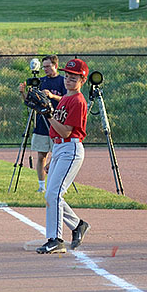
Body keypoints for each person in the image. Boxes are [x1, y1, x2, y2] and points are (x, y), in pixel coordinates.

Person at [36, 58, 91, 254]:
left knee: (54, 194)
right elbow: (57, 135)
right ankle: (77, 225)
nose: (68, 79)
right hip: (60, 149)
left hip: (71, 149)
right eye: (67, 76)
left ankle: (56, 239)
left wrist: (48, 114)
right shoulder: (66, 99)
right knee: (51, 194)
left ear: (82, 80)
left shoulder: (78, 101)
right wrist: (52, 157)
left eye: (74, 77)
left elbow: (66, 132)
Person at [19, 55, 66, 192]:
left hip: (57, 122)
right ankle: (41, 186)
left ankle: (57, 185)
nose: (45, 69)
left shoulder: (63, 81)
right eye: (43, 67)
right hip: (41, 122)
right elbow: (31, 103)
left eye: (48, 66)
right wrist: (23, 94)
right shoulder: (40, 81)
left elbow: (67, 99)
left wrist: (51, 96)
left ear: (55, 66)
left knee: (57, 155)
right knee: (41, 155)